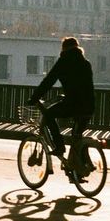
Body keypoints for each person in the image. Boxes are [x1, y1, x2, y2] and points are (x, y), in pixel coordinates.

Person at [28, 36, 95, 164]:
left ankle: (59, 146)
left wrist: (34, 97)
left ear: (64, 48)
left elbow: (48, 81)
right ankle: (82, 166)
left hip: (73, 104)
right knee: (77, 136)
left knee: (48, 115)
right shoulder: (85, 63)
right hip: (89, 105)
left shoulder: (64, 62)